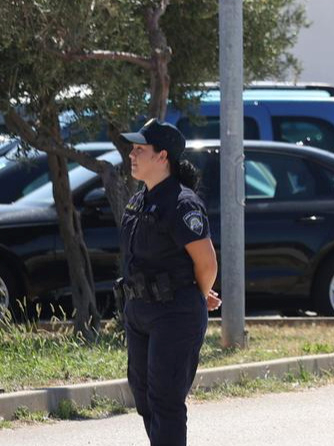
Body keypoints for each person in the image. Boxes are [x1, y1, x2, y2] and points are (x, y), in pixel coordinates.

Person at [119, 119, 220, 446]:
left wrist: (196, 296)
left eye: (140, 149)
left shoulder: (182, 203)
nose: (132, 155)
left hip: (173, 314)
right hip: (140, 310)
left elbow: (206, 262)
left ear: (163, 156)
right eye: (132, 149)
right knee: (144, 395)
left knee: (166, 399)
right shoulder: (141, 199)